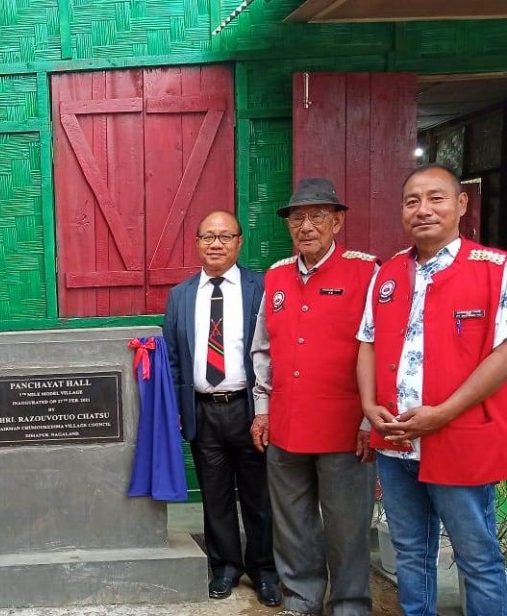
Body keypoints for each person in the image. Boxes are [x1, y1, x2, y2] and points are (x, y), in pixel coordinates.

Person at [357, 163, 507, 616]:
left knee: (476, 556)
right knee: (409, 554)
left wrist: (444, 412)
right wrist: (367, 405)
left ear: (461, 204)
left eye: (436, 198)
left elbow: (502, 353)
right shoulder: (385, 275)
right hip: (396, 443)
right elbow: (367, 342)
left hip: (459, 438)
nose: (423, 209)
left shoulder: (493, 270)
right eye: (412, 201)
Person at [251, 177, 377, 616]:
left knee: (346, 528)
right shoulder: (277, 276)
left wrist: (369, 420)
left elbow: (378, 349)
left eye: (317, 216)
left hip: (345, 429)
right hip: (285, 424)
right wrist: (262, 410)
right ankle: (301, 600)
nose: (306, 226)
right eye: (297, 218)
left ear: (338, 221)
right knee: (293, 525)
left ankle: (349, 605)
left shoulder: (366, 272)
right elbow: (263, 348)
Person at [162, 211, 279, 607]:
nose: (216, 243)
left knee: (258, 496)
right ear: (196, 243)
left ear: (239, 242)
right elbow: (175, 359)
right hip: (202, 409)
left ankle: (264, 569)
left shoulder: (259, 287)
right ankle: (225, 567)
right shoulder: (180, 295)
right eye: (208, 236)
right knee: (215, 497)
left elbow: (272, 349)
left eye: (225, 236)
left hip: (249, 408)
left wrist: (268, 406)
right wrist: (179, 408)